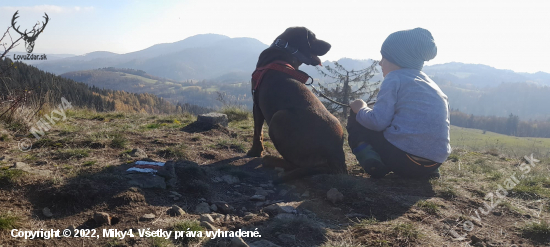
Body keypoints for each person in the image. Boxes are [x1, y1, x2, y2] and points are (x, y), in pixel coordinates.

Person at [347, 27, 451, 179]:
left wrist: (361, 108)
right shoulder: (432, 85)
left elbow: (378, 122)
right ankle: (428, 172)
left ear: (397, 59)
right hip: (434, 163)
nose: (380, 63)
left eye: (384, 58)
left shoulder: (394, 78)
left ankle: (373, 162)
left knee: (356, 115)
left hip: (403, 160)